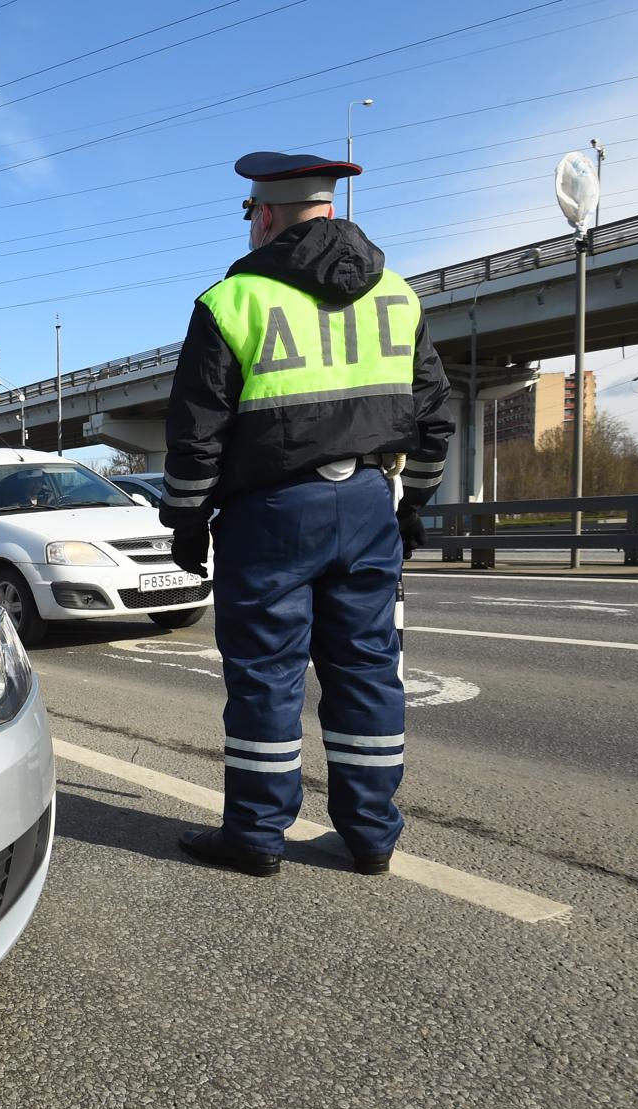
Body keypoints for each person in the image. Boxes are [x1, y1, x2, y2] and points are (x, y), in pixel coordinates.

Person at [157, 151, 455, 878]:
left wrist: (188, 525)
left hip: (271, 514)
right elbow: (435, 419)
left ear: (264, 213)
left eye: (249, 214)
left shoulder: (233, 302)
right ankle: (371, 834)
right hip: (366, 507)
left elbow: (196, 434)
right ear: (328, 209)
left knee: (266, 678)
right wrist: (411, 503)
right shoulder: (399, 296)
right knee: (366, 671)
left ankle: (256, 835)